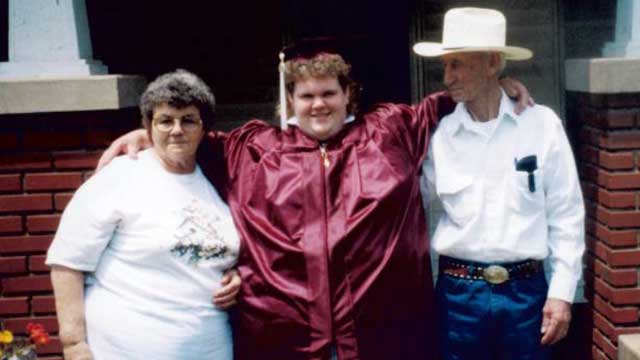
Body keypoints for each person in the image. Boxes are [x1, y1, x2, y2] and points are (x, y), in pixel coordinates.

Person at [99, 40, 531, 359]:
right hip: (284, 338)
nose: (318, 104)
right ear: (290, 101)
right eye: (306, 96)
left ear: (349, 96)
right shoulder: (249, 149)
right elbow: (182, 137)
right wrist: (145, 134)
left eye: (328, 93)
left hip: (384, 336)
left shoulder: (391, 133)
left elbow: (454, 98)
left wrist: (499, 82)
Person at [415, 8, 585, 360]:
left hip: (528, 297)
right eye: (445, 65)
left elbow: (566, 214)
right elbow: (402, 202)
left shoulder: (541, 125)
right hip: (458, 298)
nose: (447, 77)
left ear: (493, 64)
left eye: (457, 64)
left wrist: (562, 292)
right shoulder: (437, 135)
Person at [46, 69, 242, 360]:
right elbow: (67, 261)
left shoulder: (217, 179)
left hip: (210, 347)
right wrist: (74, 344)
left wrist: (236, 274)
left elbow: (213, 253)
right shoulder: (121, 176)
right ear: (149, 127)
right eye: (165, 120)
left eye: (188, 120)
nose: (177, 129)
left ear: (204, 128)